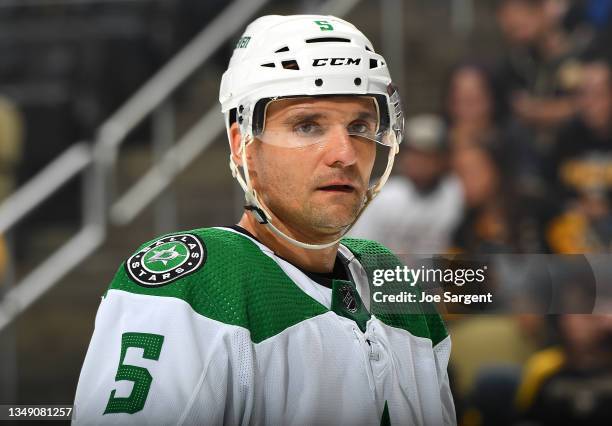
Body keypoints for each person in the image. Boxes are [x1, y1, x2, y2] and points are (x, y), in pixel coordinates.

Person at [73, 15, 456, 425]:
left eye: (360, 125)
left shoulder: (389, 278)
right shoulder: (197, 280)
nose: (345, 153)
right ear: (243, 145)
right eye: (308, 125)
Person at [350, 114, 463, 254]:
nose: (417, 161)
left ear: (442, 159)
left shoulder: (457, 192)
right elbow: (358, 251)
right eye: (412, 153)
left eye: (426, 155)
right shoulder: (381, 193)